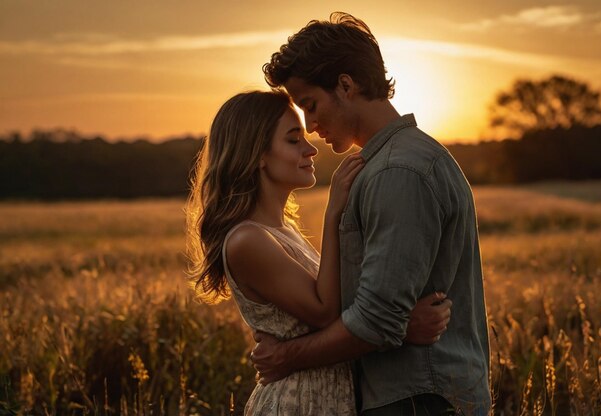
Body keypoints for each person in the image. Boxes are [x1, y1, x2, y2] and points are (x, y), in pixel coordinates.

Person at [251, 12, 491, 415]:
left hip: (417, 399)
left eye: (311, 105)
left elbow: (377, 320)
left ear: (346, 85)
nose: (310, 126)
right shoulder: (387, 165)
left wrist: (285, 357)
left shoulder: (398, 172)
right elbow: (381, 314)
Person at [186, 90, 453, 415]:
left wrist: (397, 324)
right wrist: (333, 213)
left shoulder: (282, 232)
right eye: (293, 140)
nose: (311, 148)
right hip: (295, 404)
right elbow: (325, 311)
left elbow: (336, 316)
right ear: (258, 154)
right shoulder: (246, 240)